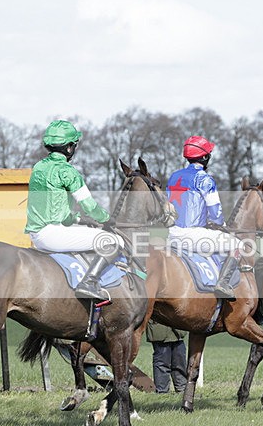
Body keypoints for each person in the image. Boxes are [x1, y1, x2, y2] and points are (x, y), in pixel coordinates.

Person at [24, 119, 122, 301]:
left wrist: (78, 220)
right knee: (113, 241)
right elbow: (90, 206)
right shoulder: (68, 171)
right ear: (69, 148)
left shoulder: (38, 167)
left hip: (36, 234)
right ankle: (89, 282)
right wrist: (107, 219)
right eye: (74, 145)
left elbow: (53, 209)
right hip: (52, 235)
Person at [166, 135, 243, 300]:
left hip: (172, 236)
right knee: (237, 244)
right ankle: (223, 284)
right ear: (205, 157)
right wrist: (219, 224)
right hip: (193, 236)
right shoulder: (204, 179)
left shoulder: (174, 176)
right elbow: (215, 212)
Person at [146, 322, 188, 394]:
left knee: (180, 360)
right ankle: (162, 392)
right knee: (162, 361)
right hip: (159, 328)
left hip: (177, 329)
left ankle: (182, 390)